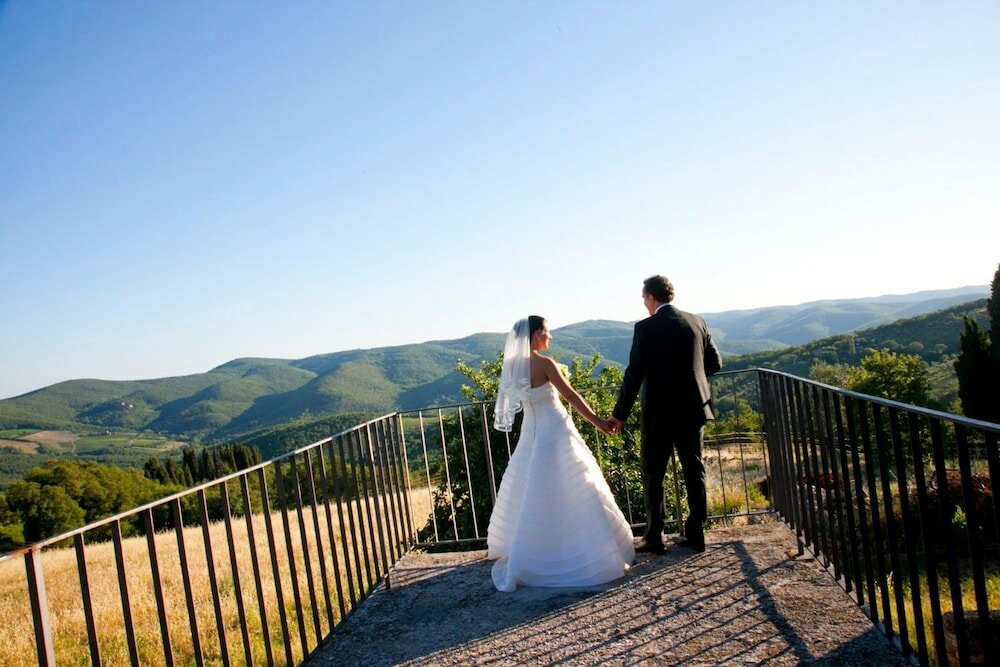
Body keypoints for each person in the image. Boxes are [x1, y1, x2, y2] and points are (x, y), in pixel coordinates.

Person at [486, 316, 635, 592]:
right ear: (535, 335)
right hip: (554, 430)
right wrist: (599, 422)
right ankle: (581, 552)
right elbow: (572, 397)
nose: (550, 336)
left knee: (534, 491)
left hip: (530, 431)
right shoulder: (545, 364)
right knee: (575, 486)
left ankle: (537, 550)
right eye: (547, 331)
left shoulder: (512, 366)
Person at [609, 275, 722, 553]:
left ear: (650, 297)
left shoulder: (646, 328)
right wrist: (689, 381)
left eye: (643, 299)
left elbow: (634, 374)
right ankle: (696, 534)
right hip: (694, 408)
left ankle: (654, 536)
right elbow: (715, 363)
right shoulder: (697, 321)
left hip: (659, 412)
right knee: (694, 470)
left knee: (653, 473)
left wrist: (619, 414)